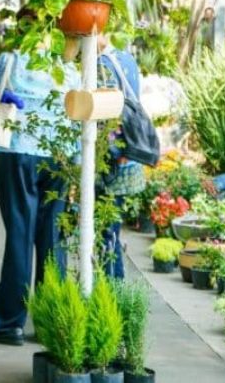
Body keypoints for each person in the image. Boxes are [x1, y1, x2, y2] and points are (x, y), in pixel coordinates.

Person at [0, 8, 80, 346]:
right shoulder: (67, 69)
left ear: (20, 30)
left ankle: (10, 323)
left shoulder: (7, 62)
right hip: (59, 158)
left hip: (16, 155)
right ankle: (51, 322)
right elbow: (79, 116)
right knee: (52, 237)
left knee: (19, 235)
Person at [98, 36, 145, 280]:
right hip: (128, 154)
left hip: (111, 156)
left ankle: (111, 287)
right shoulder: (127, 59)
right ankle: (115, 285)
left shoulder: (102, 65)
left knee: (105, 227)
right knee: (112, 225)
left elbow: (104, 112)